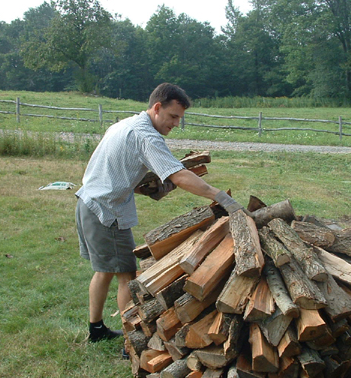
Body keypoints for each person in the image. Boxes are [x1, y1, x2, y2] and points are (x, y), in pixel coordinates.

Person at [75, 82, 244, 347]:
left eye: (180, 118)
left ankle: (96, 329)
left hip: (88, 202)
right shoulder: (146, 136)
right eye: (173, 116)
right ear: (157, 108)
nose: (176, 123)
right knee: (126, 276)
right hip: (106, 211)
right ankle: (132, 342)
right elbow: (178, 175)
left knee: (104, 271)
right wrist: (219, 196)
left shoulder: (125, 124)